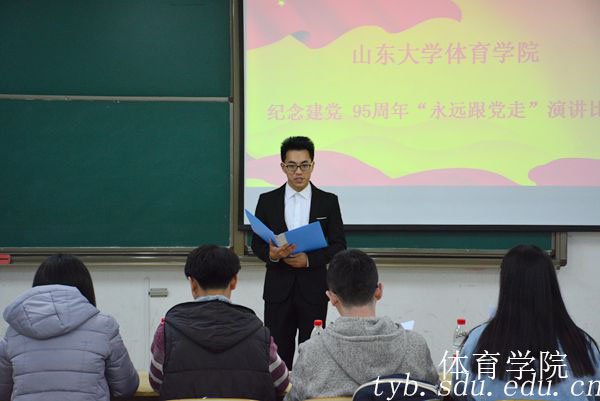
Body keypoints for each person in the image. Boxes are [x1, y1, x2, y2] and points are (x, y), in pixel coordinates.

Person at [285, 249, 439, 401]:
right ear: (379, 291)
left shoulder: (312, 353)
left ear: (332, 298)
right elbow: (437, 393)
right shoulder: (416, 346)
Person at [454, 245, 600, 401]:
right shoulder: (581, 345)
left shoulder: (478, 342)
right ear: (549, 283)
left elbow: (459, 393)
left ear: (505, 284)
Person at [251, 136, 346, 369]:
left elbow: (339, 245)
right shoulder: (267, 201)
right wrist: (273, 255)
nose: (298, 172)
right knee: (277, 357)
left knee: (312, 356)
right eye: (292, 166)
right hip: (278, 290)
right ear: (283, 167)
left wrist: (308, 260)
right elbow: (257, 244)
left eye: (304, 165)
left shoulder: (328, 201)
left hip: (313, 289)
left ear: (313, 165)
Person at [149, 244, 290, 401]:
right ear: (234, 282)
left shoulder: (167, 331)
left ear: (193, 284)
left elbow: (156, 383)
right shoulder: (259, 333)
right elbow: (282, 382)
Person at [0, 254, 139, 401]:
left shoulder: (13, 332)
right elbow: (126, 388)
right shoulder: (104, 326)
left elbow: (3, 392)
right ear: (86, 287)